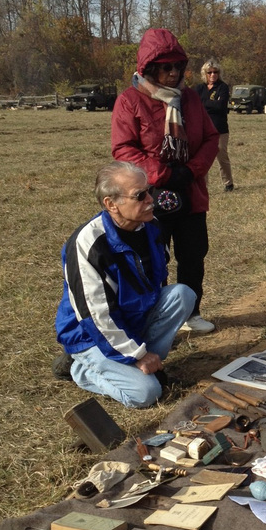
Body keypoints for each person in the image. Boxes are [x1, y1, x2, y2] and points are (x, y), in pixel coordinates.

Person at [54, 162, 196, 408]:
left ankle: (140, 362)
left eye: (149, 190)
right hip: (90, 335)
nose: (150, 199)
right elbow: (96, 316)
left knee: (182, 294)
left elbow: (157, 281)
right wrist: (137, 355)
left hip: (132, 321)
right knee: (146, 394)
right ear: (111, 204)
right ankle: (81, 369)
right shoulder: (88, 244)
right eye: (140, 196)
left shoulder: (151, 226)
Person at [112, 28, 219, 333]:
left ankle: (191, 313)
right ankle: (156, 319)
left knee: (193, 253)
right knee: (152, 259)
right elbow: (123, 148)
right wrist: (164, 173)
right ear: (149, 68)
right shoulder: (130, 101)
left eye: (178, 67)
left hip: (190, 190)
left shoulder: (190, 99)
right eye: (165, 67)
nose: (173, 73)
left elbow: (211, 137)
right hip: (148, 195)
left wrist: (192, 170)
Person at [196, 58, 234, 192]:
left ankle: (228, 183)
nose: (213, 75)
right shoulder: (199, 88)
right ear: (205, 74)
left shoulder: (222, 87)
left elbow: (221, 106)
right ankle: (203, 186)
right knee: (203, 158)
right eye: (209, 72)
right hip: (202, 129)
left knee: (222, 156)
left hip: (220, 129)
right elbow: (195, 106)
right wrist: (211, 103)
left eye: (215, 72)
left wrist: (204, 103)